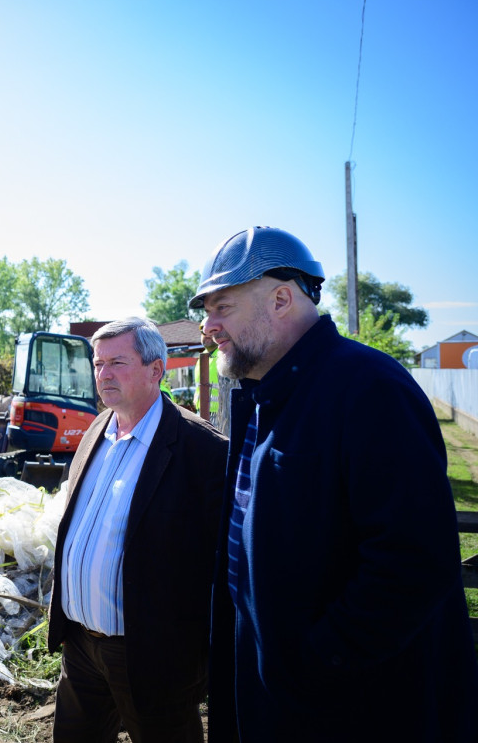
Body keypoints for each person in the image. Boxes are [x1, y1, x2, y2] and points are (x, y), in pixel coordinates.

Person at [190, 227, 478, 742]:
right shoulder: (262, 394)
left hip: (343, 708)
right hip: (271, 690)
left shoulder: (369, 389)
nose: (207, 326)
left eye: (222, 307)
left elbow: (415, 561)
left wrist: (316, 660)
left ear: (281, 298)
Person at [48, 317, 228, 743]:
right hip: (80, 648)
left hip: (151, 656)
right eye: (98, 363)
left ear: (155, 370)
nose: (104, 374)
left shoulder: (201, 450)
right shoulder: (97, 429)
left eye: (118, 363)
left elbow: (221, 566)